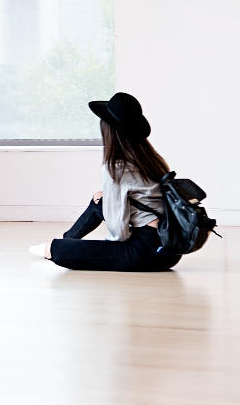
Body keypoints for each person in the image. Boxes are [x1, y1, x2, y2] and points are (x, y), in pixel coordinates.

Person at [28, 92, 182, 272]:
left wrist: (101, 251)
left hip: (146, 252)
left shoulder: (115, 167)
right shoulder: (152, 159)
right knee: (99, 201)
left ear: (109, 131)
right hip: (170, 248)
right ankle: (68, 238)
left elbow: (119, 233)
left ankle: (59, 244)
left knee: (55, 249)